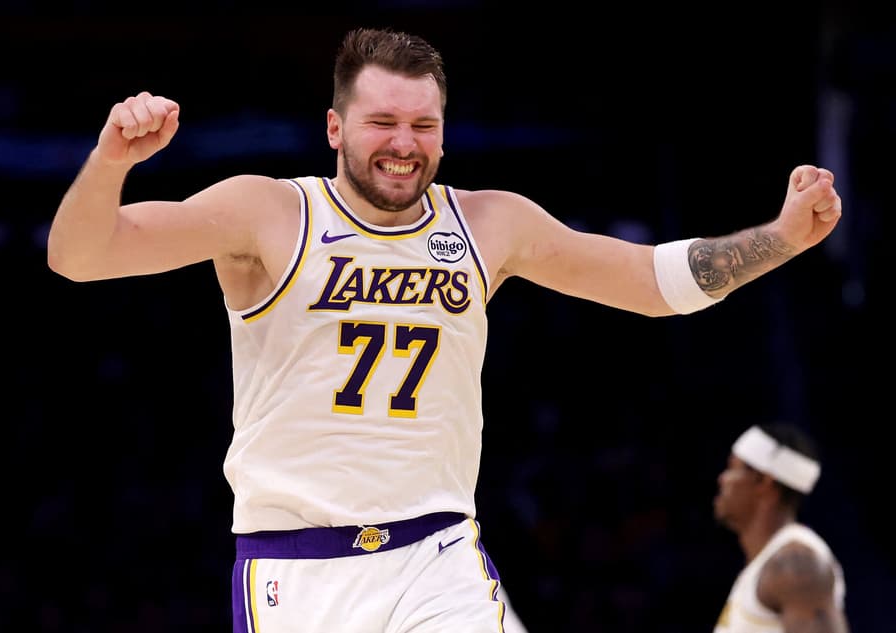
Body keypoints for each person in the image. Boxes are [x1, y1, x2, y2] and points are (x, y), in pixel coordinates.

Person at [46, 26, 842, 633]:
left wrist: (781, 238)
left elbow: (652, 282)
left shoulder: (489, 222)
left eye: (423, 125)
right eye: (382, 121)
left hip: (437, 554)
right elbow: (80, 256)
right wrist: (111, 158)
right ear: (334, 128)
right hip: (297, 567)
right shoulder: (268, 210)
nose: (403, 144)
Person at [712, 424, 850, 633]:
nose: (722, 479)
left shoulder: (796, 565)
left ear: (763, 481)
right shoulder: (766, 566)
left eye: (733, 468)